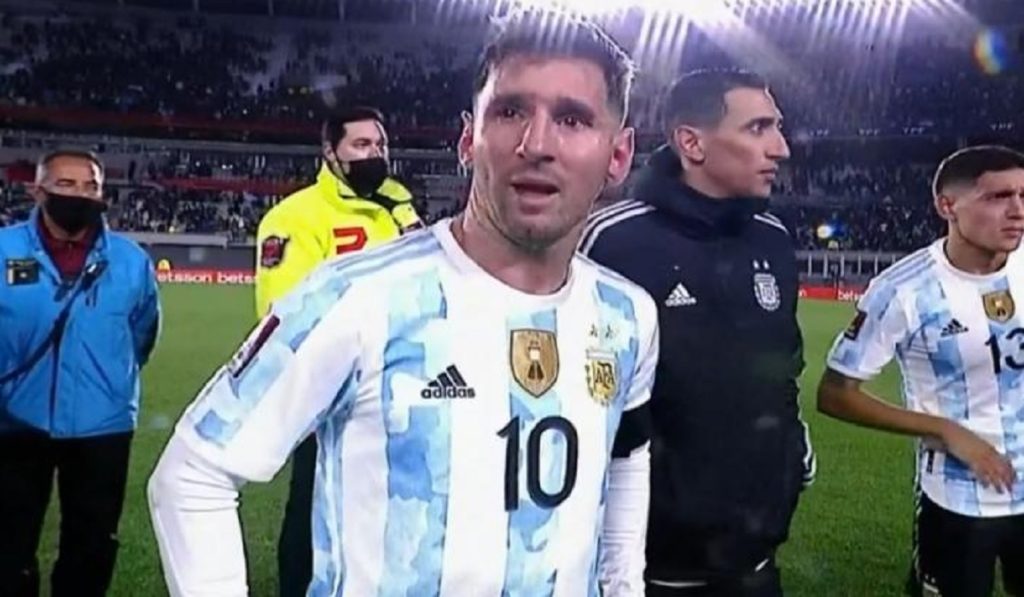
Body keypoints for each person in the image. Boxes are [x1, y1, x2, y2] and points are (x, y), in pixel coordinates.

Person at [149, 11, 658, 596]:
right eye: (510, 111)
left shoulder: (627, 316)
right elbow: (194, 474)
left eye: (572, 119)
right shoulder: (356, 296)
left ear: (618, 155)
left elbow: (626, 457)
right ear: (468, 140)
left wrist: (623, 586)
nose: (536, 144)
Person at [580, 69, 815, 596]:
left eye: (777, 127)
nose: (780, 148)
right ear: (692, 142)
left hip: (757, 564)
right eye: (758, 128)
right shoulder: (613, 242)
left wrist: (791, 449)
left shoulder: (774, 240)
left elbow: (784, 365)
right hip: (650, 571)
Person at [818, 145, 1024, 597]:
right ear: (947, 206)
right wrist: (945, 429)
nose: (1017, 211)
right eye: (997, 197)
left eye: (1023, 196)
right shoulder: (903, 290)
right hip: (958, 500)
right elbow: (834, 394)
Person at [254, 105, 424, 596]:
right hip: (332, 393)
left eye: (380, 144)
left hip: (403, 388)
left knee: (393, 510)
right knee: (313, 508)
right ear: (331, 152)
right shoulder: (295, 217)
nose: (375, 154)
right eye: (361, 145)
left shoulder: (398, 208)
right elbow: (286, 312)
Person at [0, 150, 161, 597]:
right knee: (8, 545)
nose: (80, 195)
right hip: (13, 422)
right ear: (38, 191)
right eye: (66, 185)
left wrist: (108, 384)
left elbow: (143, 333)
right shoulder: (4, 250)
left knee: (91, 547)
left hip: (102, 425)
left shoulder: (131, 261)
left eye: (91, 186)